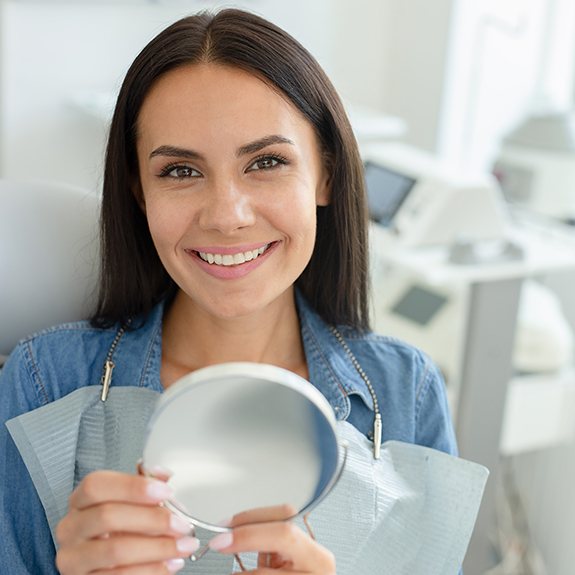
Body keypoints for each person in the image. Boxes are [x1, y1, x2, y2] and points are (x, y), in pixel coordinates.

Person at [0, 9, 460, 575]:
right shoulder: (42, 381)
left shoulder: (405, 393)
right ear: (139, 191)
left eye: (266, 162)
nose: (227, 216)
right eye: (179, 171)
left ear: (326, 173)